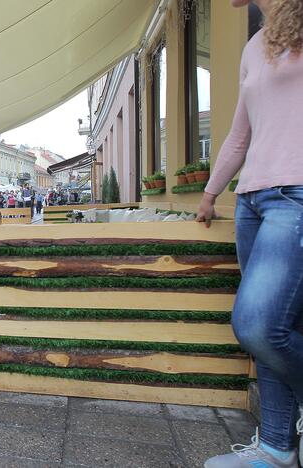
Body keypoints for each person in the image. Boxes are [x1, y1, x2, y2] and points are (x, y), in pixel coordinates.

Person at [198, 1, 303, 466]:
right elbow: (240, 134)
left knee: (257, 325)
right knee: (279, 329)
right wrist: (210, 193)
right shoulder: (254, 45)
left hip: (296, 195)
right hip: (251, 202)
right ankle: (277, 447)